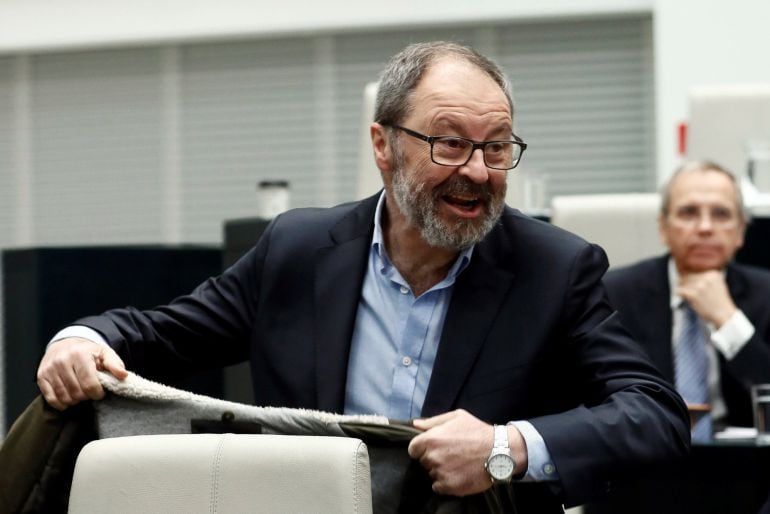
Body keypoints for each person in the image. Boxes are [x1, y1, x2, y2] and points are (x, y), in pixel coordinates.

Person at [36, 41, 689, 512]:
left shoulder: (554, 267)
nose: (479, 171)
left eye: (496, 146)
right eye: (450, 142)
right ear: (382, 145)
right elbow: (160, 335)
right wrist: (79, 341)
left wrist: (503, 447)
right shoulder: (298, 248)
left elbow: (653, 415)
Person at [604, 160, 770, 440]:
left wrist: (729, 321)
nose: (705, 227)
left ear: (741, 231)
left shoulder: (766, 292)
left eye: (721, 214)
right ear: (663, 227)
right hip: (645, 462)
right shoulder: (615, 292)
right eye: (689, 212)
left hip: (744, 468)